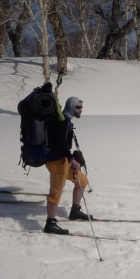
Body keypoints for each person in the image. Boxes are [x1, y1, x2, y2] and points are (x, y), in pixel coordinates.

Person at [42, 96, 90, 235]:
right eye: (78, 107)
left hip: (64, 160)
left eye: (81, 107)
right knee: (56, 192)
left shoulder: (65, 120)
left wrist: (70, 158)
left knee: (82, 181)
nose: (81, 110)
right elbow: (61, 143)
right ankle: (50, 223)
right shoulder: (62, 121)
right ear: (71, 107)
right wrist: (72, 159)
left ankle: (75, 211)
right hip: (56, 161)